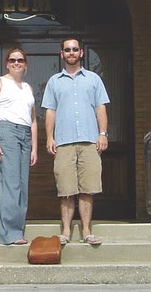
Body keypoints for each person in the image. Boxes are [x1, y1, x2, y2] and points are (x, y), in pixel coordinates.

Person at [41, 36, 109, 246]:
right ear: (62, 54)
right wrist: (49, 137)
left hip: (89, 140)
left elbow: (100, 108)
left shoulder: (93, 79)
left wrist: (103, 134)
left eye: (75, 49)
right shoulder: (54, 81)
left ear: (81, 53)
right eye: (67, 50)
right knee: (66, 190)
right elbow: (50, 111)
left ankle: (87, 231)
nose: (71, 53)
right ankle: (66, 232)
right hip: (63, 142)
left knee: (88, 189)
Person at [0, 45, 38, 245]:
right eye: (12, 60)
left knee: (22, 185)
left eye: (20, 60)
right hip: (6, 131)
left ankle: (18, 231)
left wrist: (34, 147)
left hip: (25, 134)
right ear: (7, 63)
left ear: (25, 65)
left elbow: (33, 120)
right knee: (11, 183)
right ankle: (8, 234)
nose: (16, 63)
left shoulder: (28, 88)